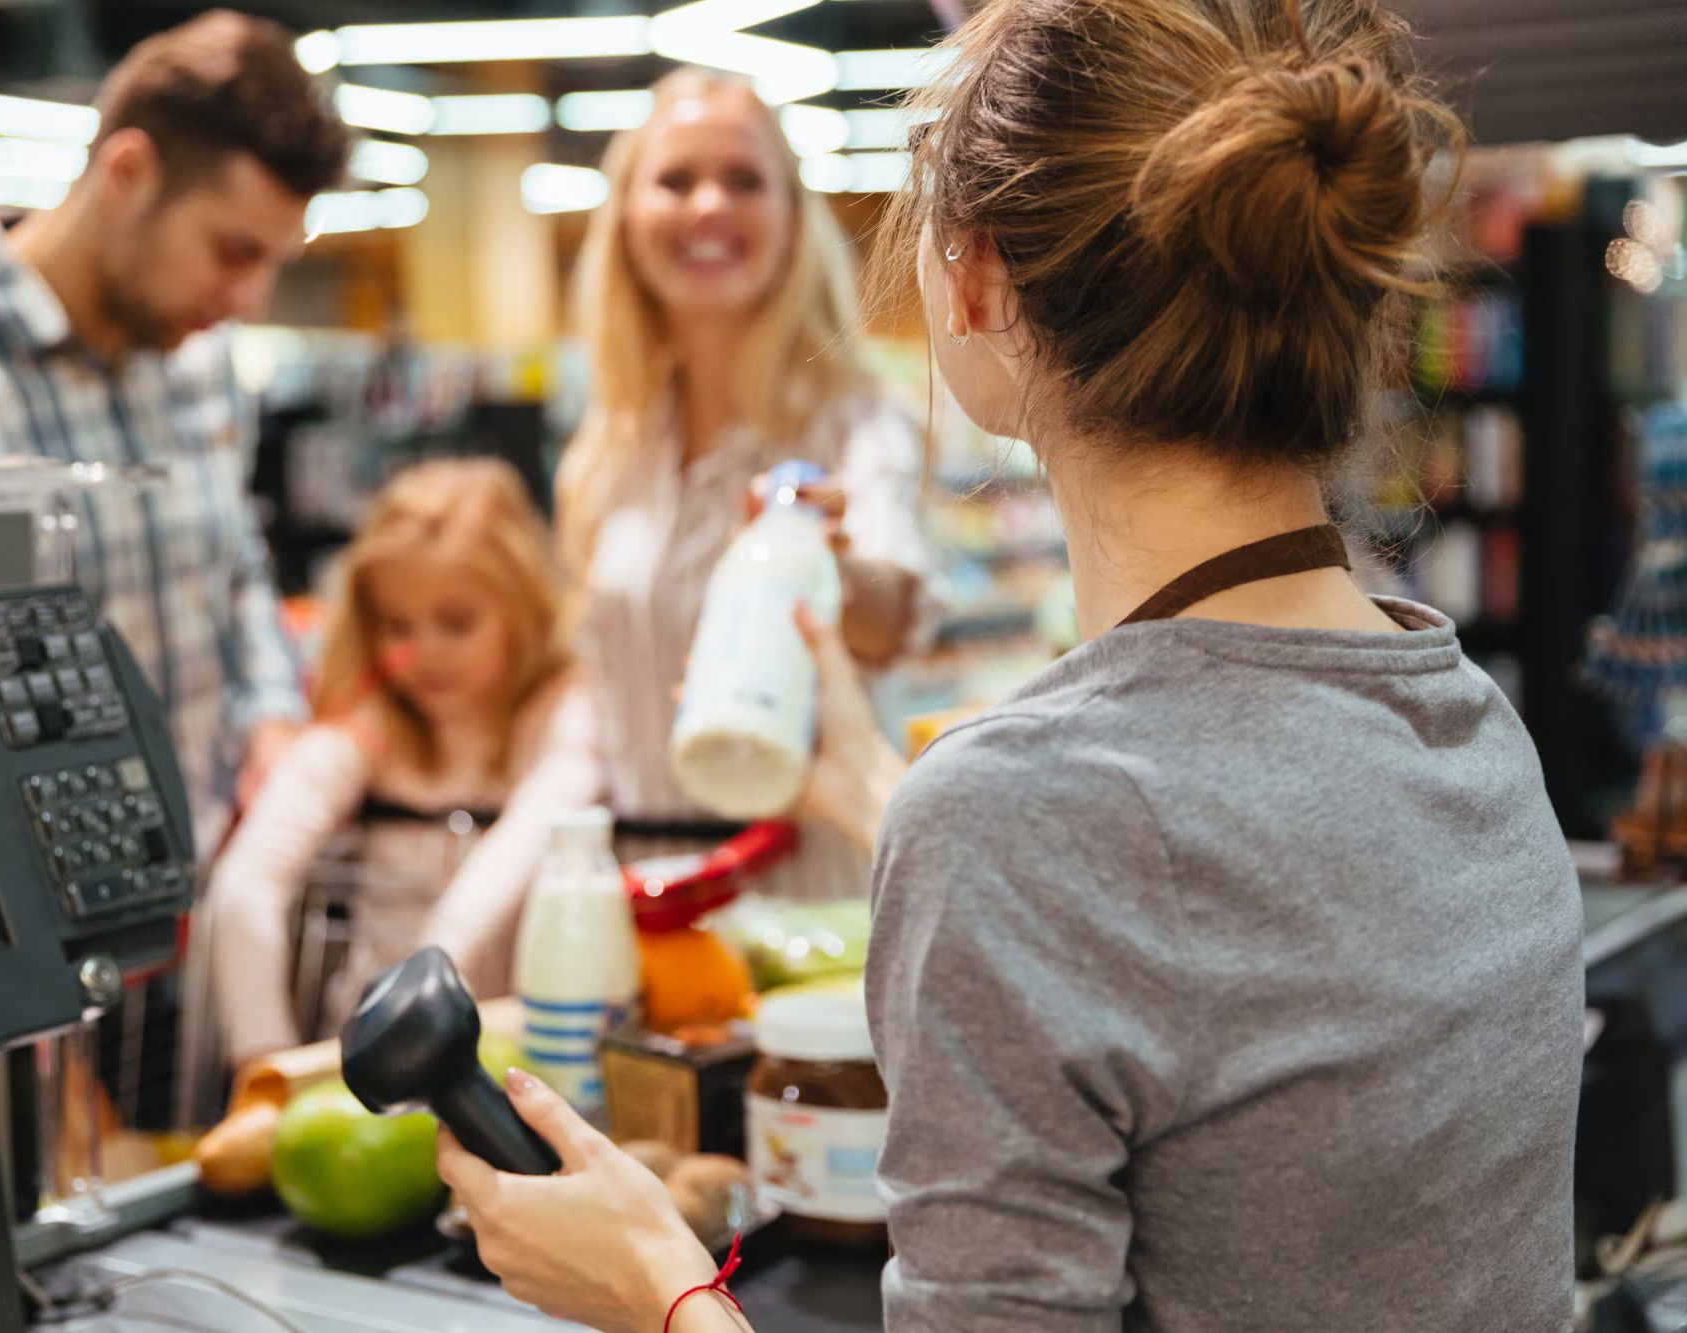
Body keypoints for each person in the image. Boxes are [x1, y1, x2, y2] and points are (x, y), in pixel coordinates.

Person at [437, 1, 1582, 1330]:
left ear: (977, 283)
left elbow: (1101, 878)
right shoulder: (1470, 724)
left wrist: (655, 1284)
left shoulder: (1024, 813)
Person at [0, 10, 349, 850]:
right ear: (128, 170)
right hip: (17, 938)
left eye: (272, 262)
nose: (249, 300)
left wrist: (269, 717)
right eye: (232, 251)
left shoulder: (201, 363)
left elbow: (235, 570)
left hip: (207, 896)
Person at [556, 68, 939, 903]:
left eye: (743, 181)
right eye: (675, 180)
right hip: (646, 898)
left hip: (810, 896)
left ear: (795, 220)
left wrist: (830, 567)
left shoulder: (858, 421)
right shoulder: (607, 450)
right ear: (624, 218)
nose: (707, 207)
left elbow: (895, 614)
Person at [205, 459, 598, 1066]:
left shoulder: (562, 711)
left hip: (520, 1057)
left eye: (456, 622)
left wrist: (431, 975)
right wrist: (263, 1059)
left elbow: (545, 816)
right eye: (397, 624)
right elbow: (246, 885)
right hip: (369, 1062)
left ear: (522, 606)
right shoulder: (370, 727)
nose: (424, 652)